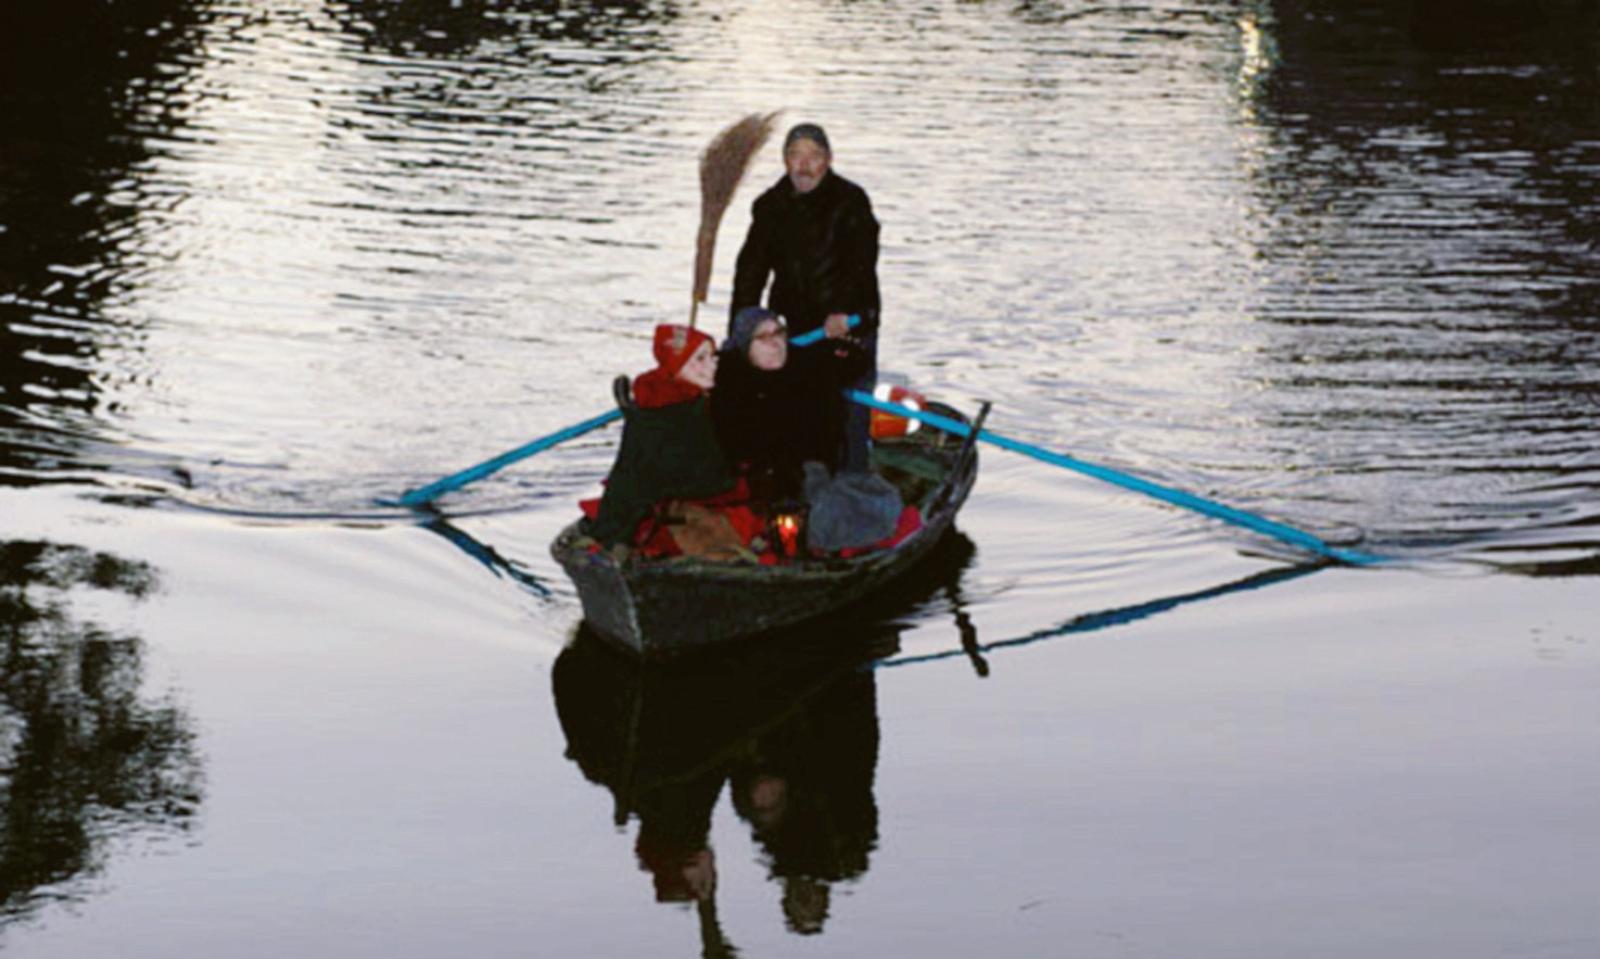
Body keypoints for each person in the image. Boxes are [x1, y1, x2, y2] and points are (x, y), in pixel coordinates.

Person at [730, 122, 880, 473]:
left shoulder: (851, 201)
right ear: (785, 161)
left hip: (848, 324)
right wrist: (742, 329)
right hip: (793, 326)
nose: (804, 165)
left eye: (813, 157)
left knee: (847, 411)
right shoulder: (769, 206)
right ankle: (795, 480)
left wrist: (843, 310)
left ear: (827, 160)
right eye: (795, 156)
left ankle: (853, 480)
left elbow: (861, 263)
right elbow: (751, 270)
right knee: (793, 406)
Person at [587, 324, 735, 548]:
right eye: (700, 359)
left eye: (713, 357)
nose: (713, 366)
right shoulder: (663, 415)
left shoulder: (693, 399)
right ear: (677, 365)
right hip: (677, 497)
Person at [711, 306, 865, 505]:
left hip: (814, 472)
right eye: (763, 337)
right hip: (758, 482)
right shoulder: (731, 386)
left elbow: (852, 365)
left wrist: (843, 347)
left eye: (778, 333)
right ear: (746, 347)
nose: (775, 343)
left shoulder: (803, 368)